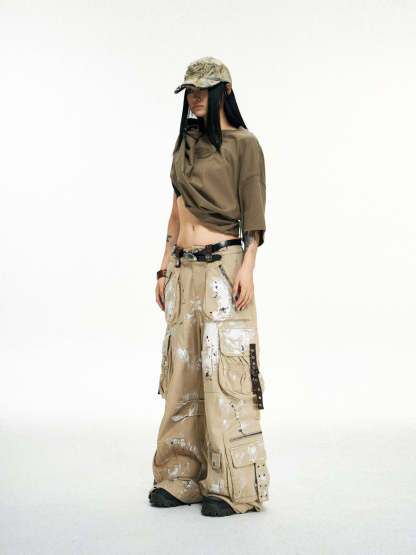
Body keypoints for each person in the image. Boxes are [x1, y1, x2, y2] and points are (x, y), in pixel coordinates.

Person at [148, 56, 270, 516]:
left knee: (227, 376)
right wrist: (164, 267)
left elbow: (253, 214)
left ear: (226, 92)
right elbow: (176, 210)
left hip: (224, 267)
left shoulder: (245, 144)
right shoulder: (187, 142)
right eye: (191, 92)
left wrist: (248, 266)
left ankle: (232, 486)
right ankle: (180, 476)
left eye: (204, 90)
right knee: (181, 374)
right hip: (184, 269)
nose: (196, 98)